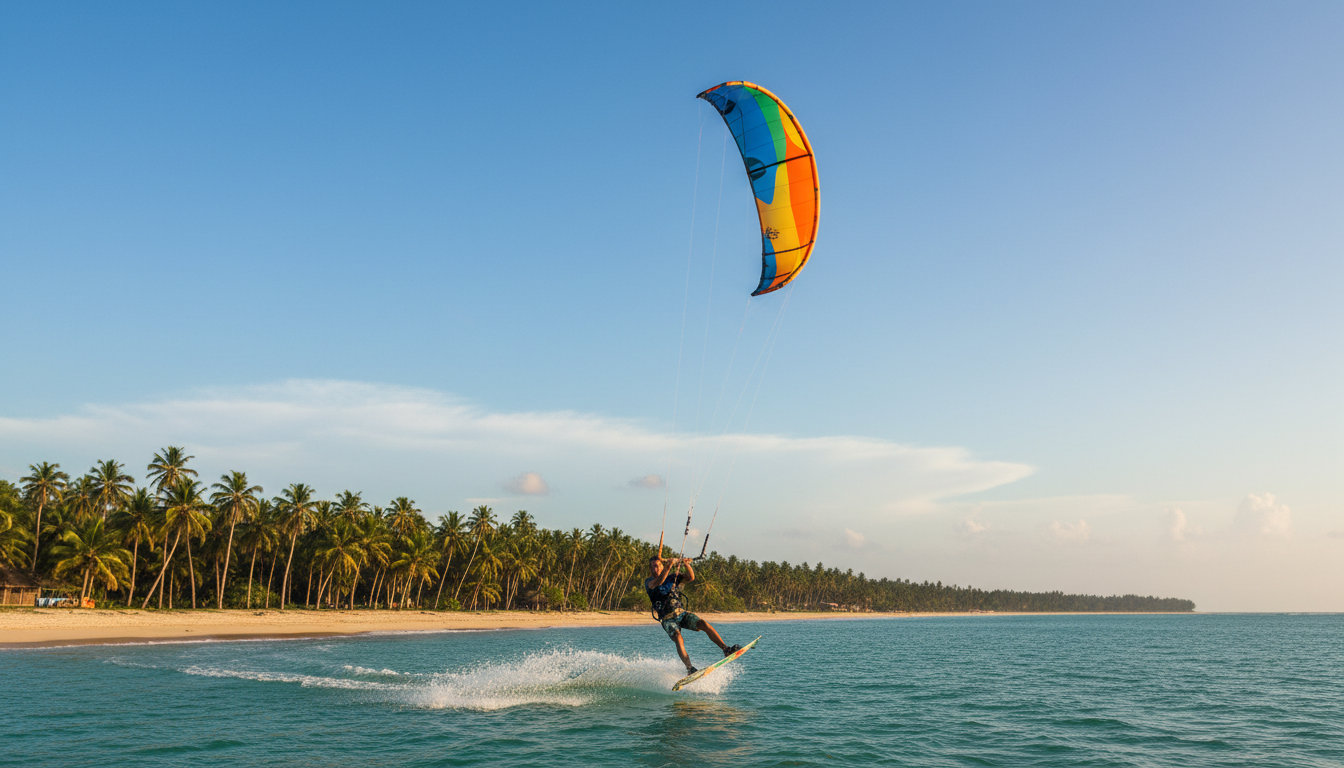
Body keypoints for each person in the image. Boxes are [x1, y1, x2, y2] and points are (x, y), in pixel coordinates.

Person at [645, 555, 741, 675]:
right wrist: (669, 565)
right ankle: (690, 668)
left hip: (681, 613)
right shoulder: (649, 582)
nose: (655, 569)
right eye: (652, 567)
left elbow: (691, 577)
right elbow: (659, 582)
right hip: (667, 619)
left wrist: (686, 564)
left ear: (662, 566)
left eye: (657, 566)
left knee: (703, 623)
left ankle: (726, 649)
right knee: (678, 637)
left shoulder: (672, 577)